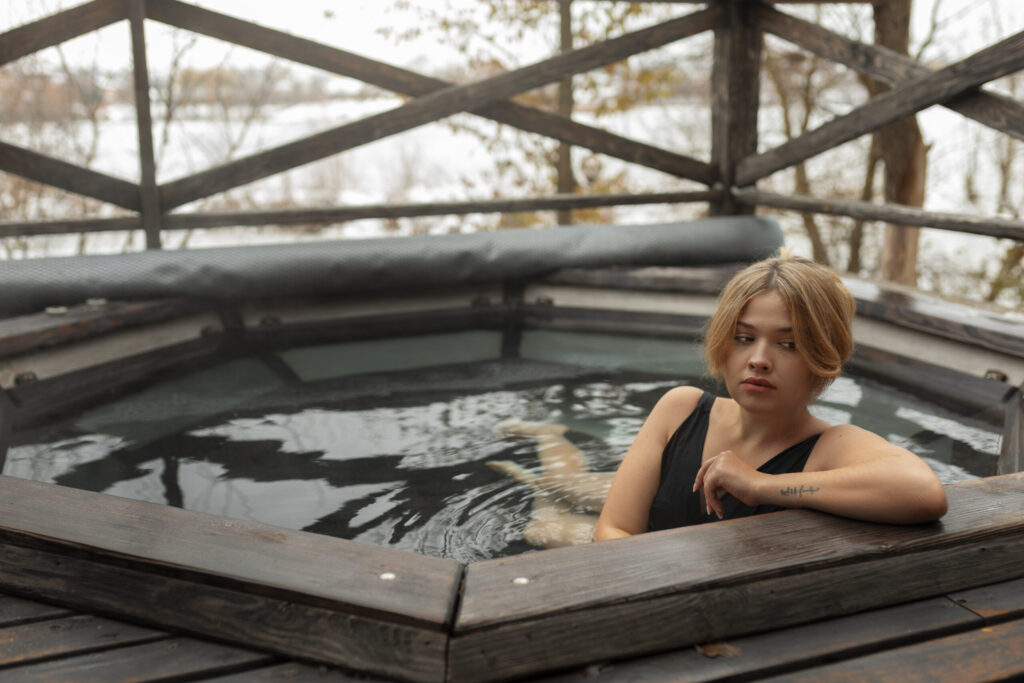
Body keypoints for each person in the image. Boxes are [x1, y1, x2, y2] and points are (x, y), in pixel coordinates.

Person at [592, 255, 948, 540]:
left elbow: (924, 491)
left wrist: (761, 485)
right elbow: (610, 531)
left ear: (821, 355)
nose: (759, 360)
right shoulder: (680, 410)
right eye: (744, 338)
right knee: (553, 524)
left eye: (788, 344)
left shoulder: (828, 448)